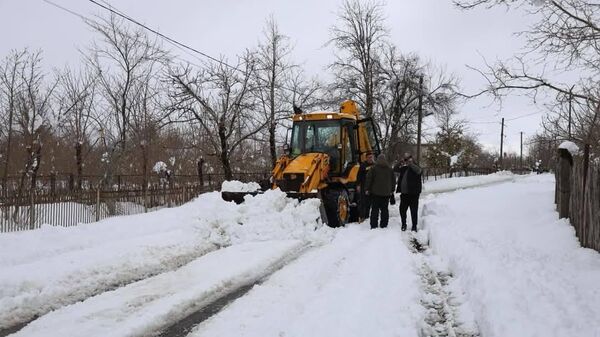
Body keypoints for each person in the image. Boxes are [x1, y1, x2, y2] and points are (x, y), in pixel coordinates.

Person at [365, 154, 396, 229]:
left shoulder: (373, 168)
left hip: (375, 193)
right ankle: (384, 224)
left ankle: (373, 225)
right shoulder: (389, 169)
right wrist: (392, 190)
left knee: (375, 209)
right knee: (384, 209)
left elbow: (369, 179)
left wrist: (367, 189)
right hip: (386, 193)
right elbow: (393, 180)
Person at [394, 153, 422, 232]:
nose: (407, 161)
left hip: (414, 194)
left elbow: (419, 171)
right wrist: (400, 162)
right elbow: (395, 169)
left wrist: (411, 163)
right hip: (404, 194)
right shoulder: (404, 168)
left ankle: (414, 226)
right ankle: (403, 224)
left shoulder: (416, 167)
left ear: (412, 159)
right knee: (402, 210)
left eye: (409, 159)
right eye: (406, 159)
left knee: (414, 211)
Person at [356, 152, 375, 222]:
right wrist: (358, 185)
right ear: (366, 158)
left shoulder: (375, 165)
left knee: (372, 202)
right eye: (369, 157)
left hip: (373, 186)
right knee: (363, 202)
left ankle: (369, 216)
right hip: (364, 186)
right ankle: (362, 216)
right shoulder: (363, 165)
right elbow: (359, 176)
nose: (371, 159)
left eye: (371, 157)